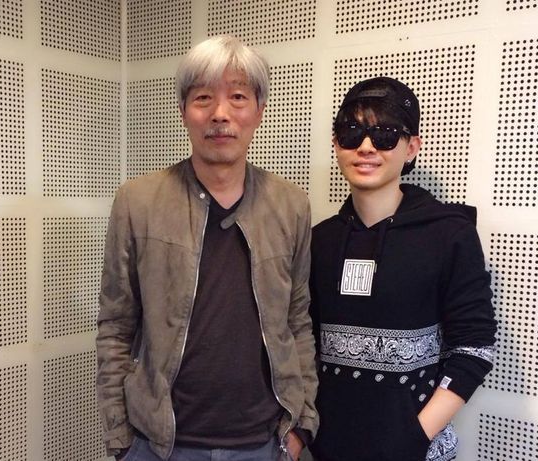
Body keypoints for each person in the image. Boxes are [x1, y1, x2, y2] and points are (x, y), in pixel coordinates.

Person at [96, 36, 318, 461]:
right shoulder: (137, 201)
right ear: (183, 111)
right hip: (159, 445)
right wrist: (121, 437)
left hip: (263, 443)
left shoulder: (291, 205)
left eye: (238, 97)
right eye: (203, 98)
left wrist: (301, 423)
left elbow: (297, 320)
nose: (220, 113)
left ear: (259, 110)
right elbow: (116, 325)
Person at [308, 77, 497, 461]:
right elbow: (302, 343)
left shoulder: (449, 234)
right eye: (351, 132)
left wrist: (413, 436)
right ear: (336, 143)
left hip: (413, 451)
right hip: (326, 449)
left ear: (411, 148)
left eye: (385, 135)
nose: (365, 146)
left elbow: (474, 348)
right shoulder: (318, 240)